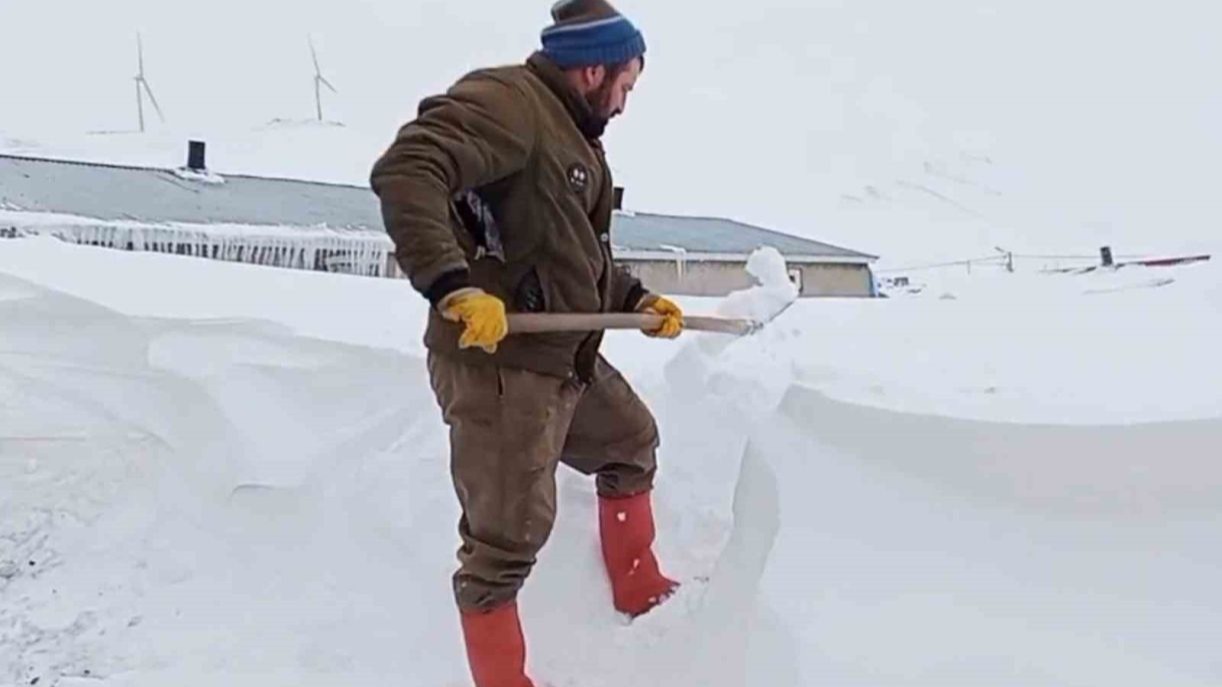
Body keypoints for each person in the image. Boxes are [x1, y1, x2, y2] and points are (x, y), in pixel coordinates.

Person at [370, 2, 682, 685]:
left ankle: (637, 583)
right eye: (625, 86)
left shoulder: (571, 133)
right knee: (504, 540)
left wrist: (634, 299)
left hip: (560, 355)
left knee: (630, 441)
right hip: (499, 364)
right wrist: (451, 285)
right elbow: (409, 167)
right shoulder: (511, 101)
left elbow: (568, 251)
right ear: (593, 71)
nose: (624, 103)